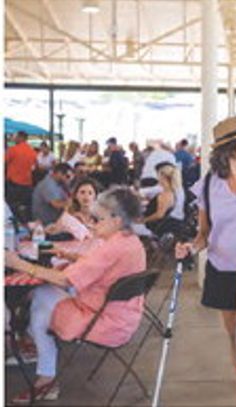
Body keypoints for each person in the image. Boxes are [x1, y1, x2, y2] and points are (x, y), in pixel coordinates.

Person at [5, 186, 147, 403]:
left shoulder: (112, 248)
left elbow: (65, 279)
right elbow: (99, 267)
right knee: (43, 300)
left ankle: (43, 367)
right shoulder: (130, 242)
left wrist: (20, 264)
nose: (92, 223)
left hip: (105, 323)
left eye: (97, 219)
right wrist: (69, 256)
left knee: (42, 296)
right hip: (124, 317)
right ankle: (41, 360)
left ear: (116, 220)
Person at [175, 117, 236, 373]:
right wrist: (191, 247)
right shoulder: (208, 185)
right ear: (230, 148)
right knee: (234, 337)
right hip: (222, 270)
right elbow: (204, 234)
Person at [143, 162, 186, 238]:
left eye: (158, 175)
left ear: (162, 176)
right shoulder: (178, 190)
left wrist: (144, 220)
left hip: (164, 228)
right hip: (177, 225)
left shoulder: (166, 194)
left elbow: (159, 215)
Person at [5, 131, 38, 222]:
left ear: (21, 138)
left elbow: (4, 162)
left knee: (12, 209)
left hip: (14, 184)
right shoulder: (32, 151)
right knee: (26, 208)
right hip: (27, 184)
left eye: (15, 136)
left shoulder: (13, 150)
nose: (13, 138)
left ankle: (15, 227)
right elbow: (35, 167)